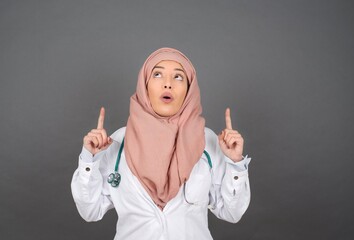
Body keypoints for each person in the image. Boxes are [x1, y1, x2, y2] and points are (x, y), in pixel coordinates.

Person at [71, 47, 251, 240]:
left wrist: (235, 164)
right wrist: (89, 160)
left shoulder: (207, 142)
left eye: (178, 77)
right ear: (145, 84)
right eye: (157, 74)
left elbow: (232, 213)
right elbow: (90, 211)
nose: (167, 84)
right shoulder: (117, 142)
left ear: (189, 89)